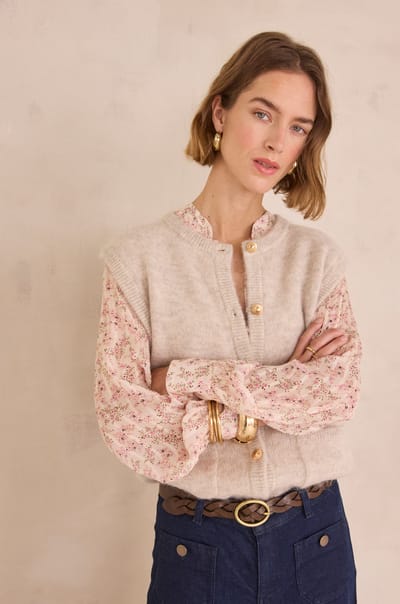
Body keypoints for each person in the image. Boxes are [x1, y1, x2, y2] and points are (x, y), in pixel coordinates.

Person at [94, 32, 361, 603]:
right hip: (198, 550)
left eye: (298, 127)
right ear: (220, 111)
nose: (276, 141)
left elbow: (335, 394)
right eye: (262, 113)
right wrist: (278, 390)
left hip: (315, 543)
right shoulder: (137, 262)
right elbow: (127, 422)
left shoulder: (317, 261)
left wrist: (182, 377)